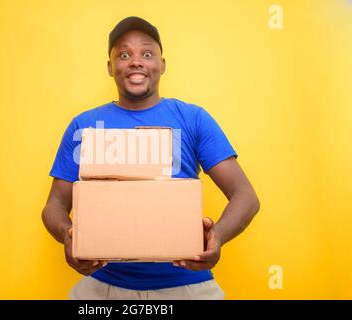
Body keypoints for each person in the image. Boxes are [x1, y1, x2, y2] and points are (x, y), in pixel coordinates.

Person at [42, 16, 260, 300]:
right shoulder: (84, 126)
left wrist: (216, 237)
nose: (135, 61)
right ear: (110, 68)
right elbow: (54, 206)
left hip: (186, 284)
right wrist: (68, 235)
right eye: (123, 54)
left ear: (162, 65)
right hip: (103, 285)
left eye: (147, 53)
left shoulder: (193, 119)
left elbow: (245, 196)